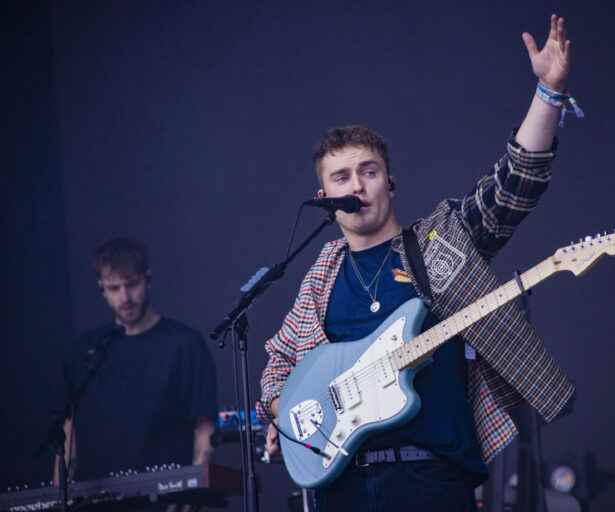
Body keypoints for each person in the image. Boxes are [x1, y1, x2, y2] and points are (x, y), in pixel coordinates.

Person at [259, 15, 577, 511]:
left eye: (369, 172)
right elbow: (278, 366)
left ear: (390, 182)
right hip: (342, 489)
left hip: (433, 481)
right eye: (341, 177)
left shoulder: (439, 243)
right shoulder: (321, 272)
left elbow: (514, 185)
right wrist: (291, 417)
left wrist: (548, 93)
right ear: (324, 198)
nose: (357, 186)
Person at [53, 238, 218, 504]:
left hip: (164, 501)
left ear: (148, 279)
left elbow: (205, 432)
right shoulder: (87, 352)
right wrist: (57, 496)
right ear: (101, 290)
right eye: (114, 288)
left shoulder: (184, 344)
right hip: (97, 503)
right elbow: (67, 432)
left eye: (132, 284)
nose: (125, 297)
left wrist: (192, 497)